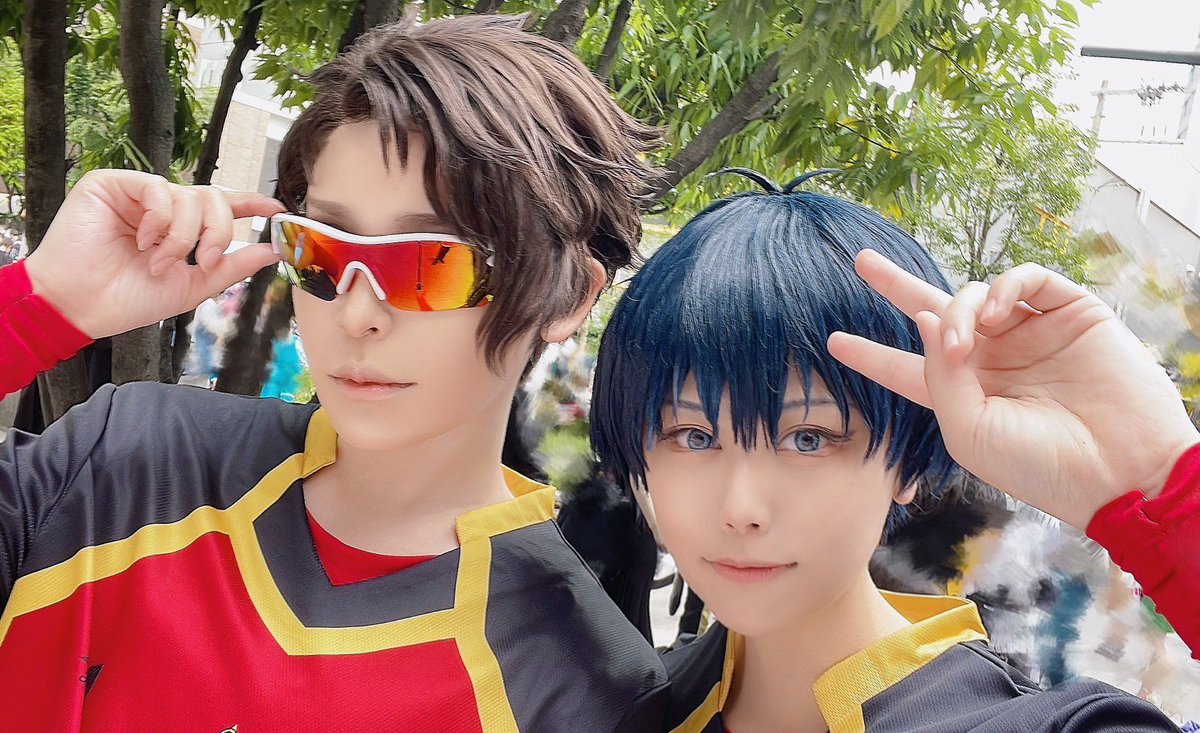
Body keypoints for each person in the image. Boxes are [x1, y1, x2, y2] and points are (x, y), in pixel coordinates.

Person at [0, 13, 666, 730]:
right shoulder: (124, 465)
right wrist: (41, 306)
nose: (356, 313)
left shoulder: (582, 687)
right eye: (321, 249)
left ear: (569, 297)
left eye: (433, 263)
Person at [590, 170, 1187, 731]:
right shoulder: (616, 708)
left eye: (807, 439)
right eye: (693, 437)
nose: (740, 508)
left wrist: (1164, 478)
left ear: (906, 464)